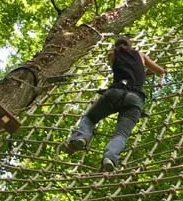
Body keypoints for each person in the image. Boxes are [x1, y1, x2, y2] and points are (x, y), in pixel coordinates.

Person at [65, 37, 166, 172]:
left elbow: (118, 68)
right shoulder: (140, 55)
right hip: (135, 98)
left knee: (89, 118)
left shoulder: (112, 55)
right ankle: (110, 157)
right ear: (130, 45)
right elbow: (160, 71)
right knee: (121, 134)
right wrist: (146, 72)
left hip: (115, 92)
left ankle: (82, 138)